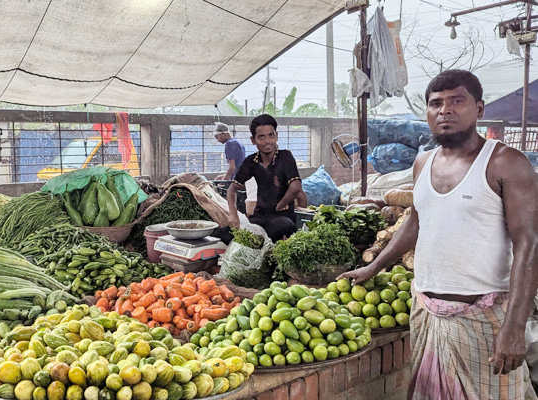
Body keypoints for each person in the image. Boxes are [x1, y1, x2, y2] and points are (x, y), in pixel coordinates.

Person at [338, 70, 538, 399]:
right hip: (426, 312)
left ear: (479, 109)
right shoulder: (422, 163)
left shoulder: (505, 163)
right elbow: (415, 224)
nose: (445, 110)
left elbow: (528, 244)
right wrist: (373, 267)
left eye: (456, 101)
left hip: (484, 318)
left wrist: (515, 326)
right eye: (436, 104)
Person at [226, 114, 307, 243]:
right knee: (225, 233)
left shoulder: (285, 157)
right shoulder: (251, 161)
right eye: (261, 137)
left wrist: (281, 204)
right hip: (259, 217)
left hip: (282, 217)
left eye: (271, 135)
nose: (267, 141)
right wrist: (233, 214)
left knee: (277, 228)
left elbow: (296, 186)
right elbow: (232, 189)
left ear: (276, 136)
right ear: (253, 140)